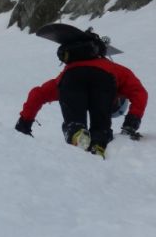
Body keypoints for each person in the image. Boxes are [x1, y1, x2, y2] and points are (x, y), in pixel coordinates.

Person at [15, 29, 148, 156]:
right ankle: (98, 143)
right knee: (101, 128)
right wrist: (131, 124)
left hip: (71, 78)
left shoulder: (72, 71)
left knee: (75, 123)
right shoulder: (116, 71)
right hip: (104, 80)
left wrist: (24, 123)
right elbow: (140, 93)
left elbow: (37, 94)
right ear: (118, 101)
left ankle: (76, 132)